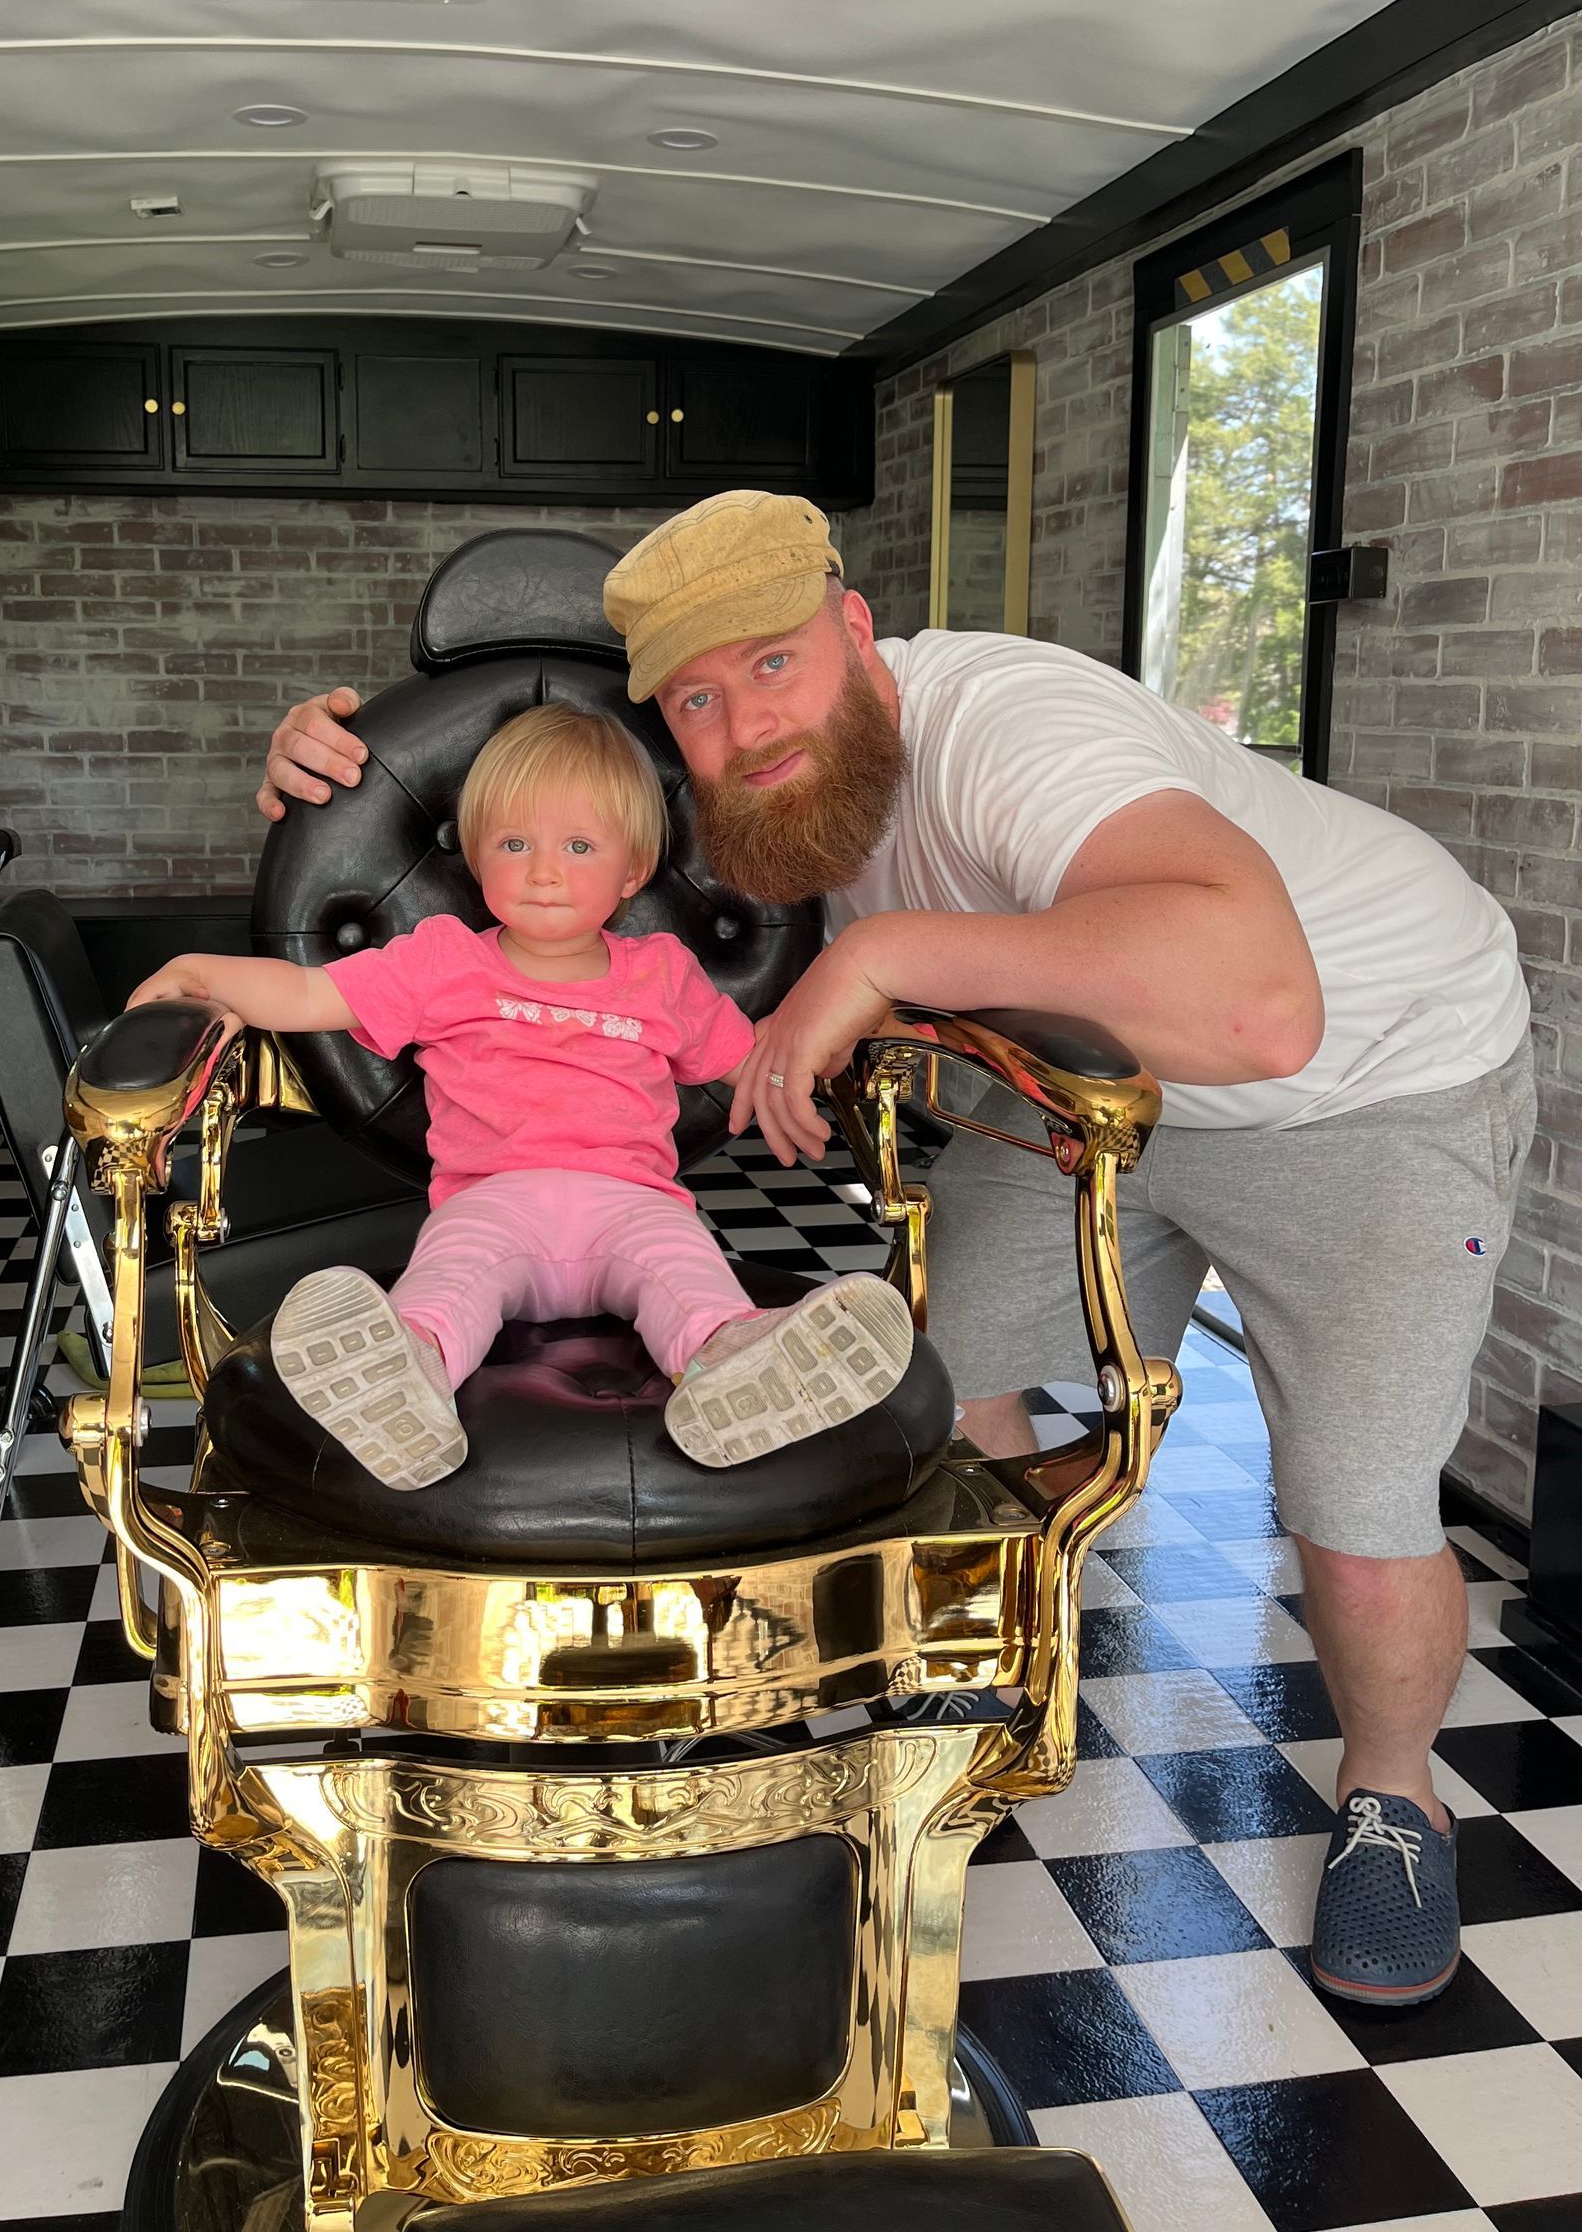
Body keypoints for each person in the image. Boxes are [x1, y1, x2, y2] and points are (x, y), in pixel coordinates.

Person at [259, 491, 1534, 2010]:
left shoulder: (1008, 726)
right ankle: (985, 1687)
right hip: (1094, 1080)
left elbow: (1263, 1010)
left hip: (1371, 1078)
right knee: (945, 1394)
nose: (745, 724)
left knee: (1353, 1492)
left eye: (775, 665)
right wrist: (326, 764)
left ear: (856, 629)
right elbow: (535, 798)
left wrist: (878, 951)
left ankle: (1396, 1806)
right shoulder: (751, 777)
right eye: (700, 701)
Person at [138, 699, 913, 1489]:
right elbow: (308, 997)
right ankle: (407, 1373)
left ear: (633, 870)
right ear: (477, 856)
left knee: (687, 1274)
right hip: (491, 1202)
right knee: (448, 1284)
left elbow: (756, 1059)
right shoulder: (443, 962)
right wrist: (205, 974)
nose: (544, 869)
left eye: (579, 846)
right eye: (516, 843)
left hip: (632, 1203)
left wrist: (859, 1010)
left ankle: (734, 1360)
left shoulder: (661, 973)